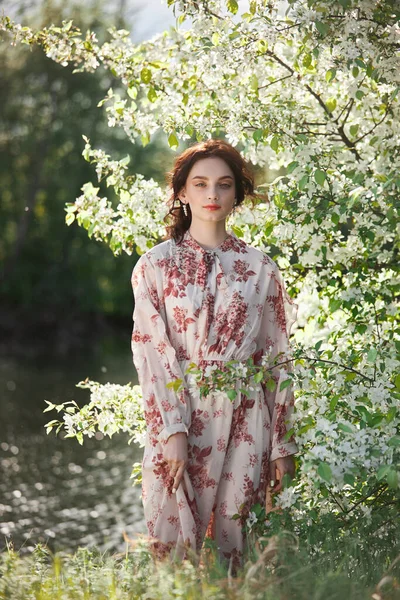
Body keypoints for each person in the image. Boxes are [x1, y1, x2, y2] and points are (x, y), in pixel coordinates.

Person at [130, 139, 299, 572]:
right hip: (179, 412)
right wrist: (173, 430)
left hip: (247, 417)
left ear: (236, 195)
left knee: (236, 545)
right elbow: (151, 353)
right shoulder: (154, 266)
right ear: (182, 192)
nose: (212, 195)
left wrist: (283, 442)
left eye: (224, 186)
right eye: (200, 184)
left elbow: (276, 357)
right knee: (174, 551)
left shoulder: (261, 267)